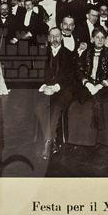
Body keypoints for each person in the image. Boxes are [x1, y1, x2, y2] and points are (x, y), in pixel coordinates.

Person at [67, 27, 108, 147]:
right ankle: (82, 140)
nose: (100, 40)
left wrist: (101, 85)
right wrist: (87, 83)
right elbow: (79, 70)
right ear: (92, 39)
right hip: (88, 86)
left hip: (105, 87)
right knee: (77, 107)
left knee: (107, 105)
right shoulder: (86, 53)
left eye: (102, 38)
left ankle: (104, 140)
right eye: (97, 37)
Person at [35, 27, 76, 160]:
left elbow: (71, 77)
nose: (55, 39)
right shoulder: (41, 53)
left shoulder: (69, 55)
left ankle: (47, 142)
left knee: (56, 107)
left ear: (61, 37)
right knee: (40, 107)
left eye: (57, 36)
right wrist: (44, 86)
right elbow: (36, 73)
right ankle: (51, 140)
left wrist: (56, 87)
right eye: (52, 36)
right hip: (46, 90)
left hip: (62, 90)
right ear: (48, 38)